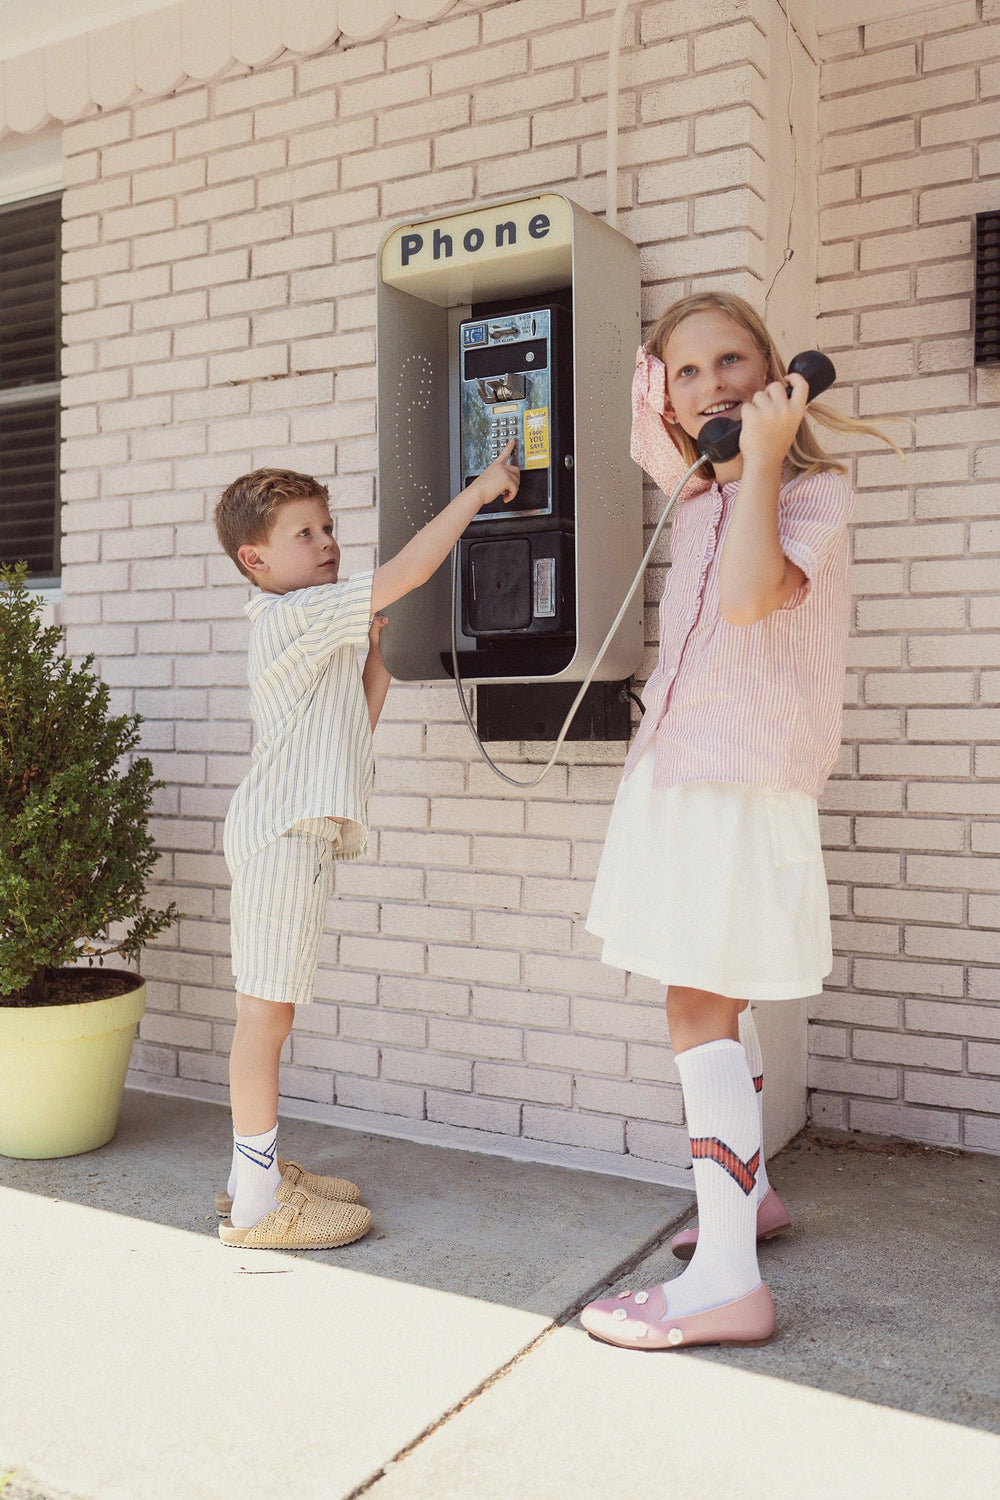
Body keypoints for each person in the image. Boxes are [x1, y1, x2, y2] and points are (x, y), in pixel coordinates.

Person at [580, 292, 898, 1349]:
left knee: (697, 1005)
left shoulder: (812, 495)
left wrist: (763, 454)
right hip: (677, 771)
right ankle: (747, 1195)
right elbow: (643, 420)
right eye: (687, 371)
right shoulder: (696, 488)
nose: (710, 384)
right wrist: (667, 391)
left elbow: (753, 598)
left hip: (739, 779)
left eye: (732, 362)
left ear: (773, 374)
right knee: (712, 996)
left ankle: (725, 1281)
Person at [211, 445, 519, 1250]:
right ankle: (257, 1206)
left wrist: (376, 656)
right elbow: (410, 570)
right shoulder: (294, 614)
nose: (327, 543)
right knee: (264, 1018)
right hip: (281, 835)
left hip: (292, 833)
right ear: (255, 559)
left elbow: (355, 727)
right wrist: (481, 491)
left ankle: (253, 1177)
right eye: (304, 534)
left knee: (268, 1013)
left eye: (327, 527)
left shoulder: (310, 626)